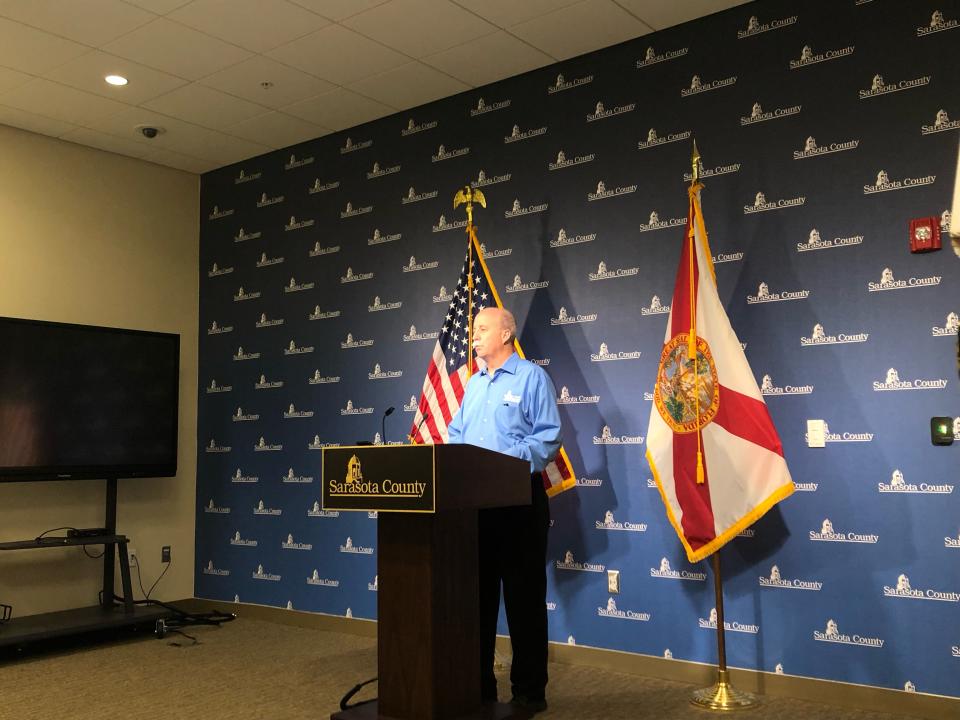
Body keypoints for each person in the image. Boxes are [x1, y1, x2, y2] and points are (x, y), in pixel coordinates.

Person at [446, 307, 561, 714]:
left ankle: (530, 693)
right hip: (475, 507)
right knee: (476, 602)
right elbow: (456, 435)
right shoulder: (473, 385)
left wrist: (499, 464)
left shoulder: (531, 377)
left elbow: (548, 438)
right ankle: (478, 688)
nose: (473, 335)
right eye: (473, 328)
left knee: (523, 601)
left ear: (506, 333)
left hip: (518, 503)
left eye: (482, 328)